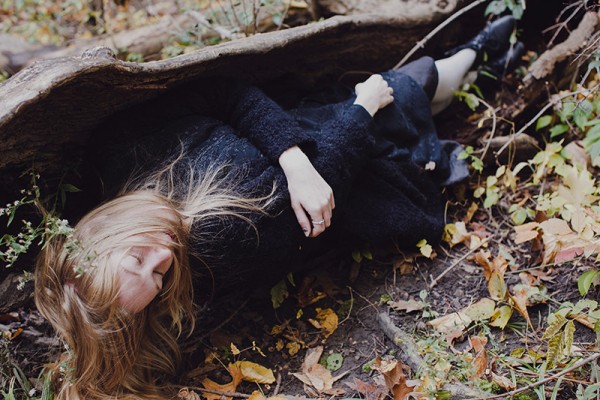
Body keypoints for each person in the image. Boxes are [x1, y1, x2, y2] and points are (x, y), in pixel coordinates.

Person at [34, 15, 521, 400]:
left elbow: (222, 94)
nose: (163, 260)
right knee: (412, 93)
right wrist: (363, 108)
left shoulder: (115, 153)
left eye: (138, 258)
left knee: (420, 90)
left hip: (295, 118)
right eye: (158, 279)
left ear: (101, 236)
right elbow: (325, 187)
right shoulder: (220, 240)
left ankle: (480, 58)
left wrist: (291, 158)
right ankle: (484, 56)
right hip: (353, 162)